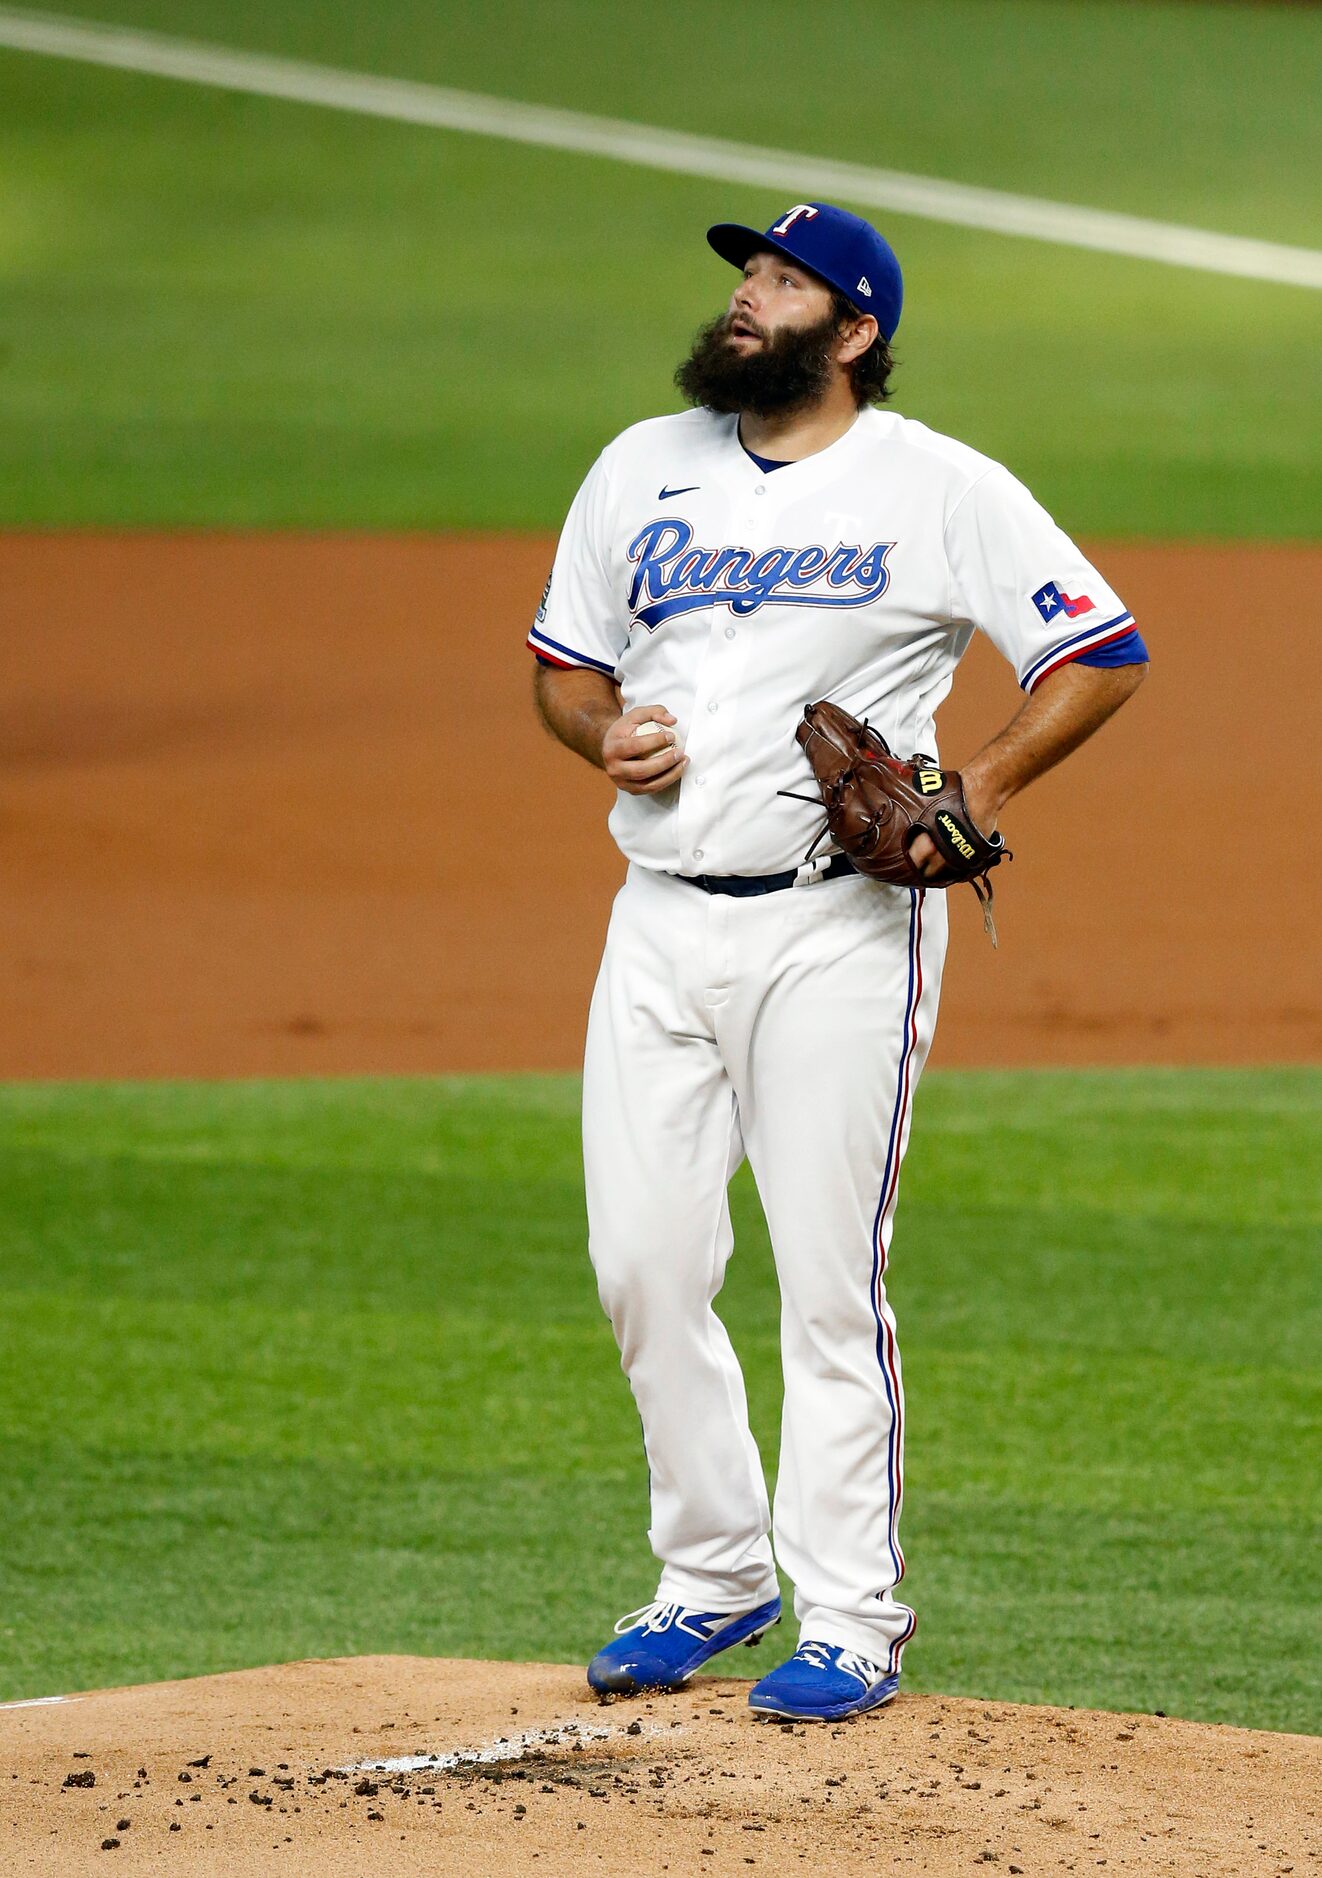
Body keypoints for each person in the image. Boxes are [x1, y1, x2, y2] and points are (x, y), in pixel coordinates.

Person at [529, 202, 1147, 1722]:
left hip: (838, 929)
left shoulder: (938, 485)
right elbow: (562, 667)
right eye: (745, 276)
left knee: (825, 1280)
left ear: (853, 331)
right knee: (643, 1263)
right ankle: (713, 1572)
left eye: (784, 283)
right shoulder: (639, 464)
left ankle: (851, 1615)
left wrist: (977, 788)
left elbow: (1098, 650)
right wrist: (599, 731)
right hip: (657, 918)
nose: (747, 299)